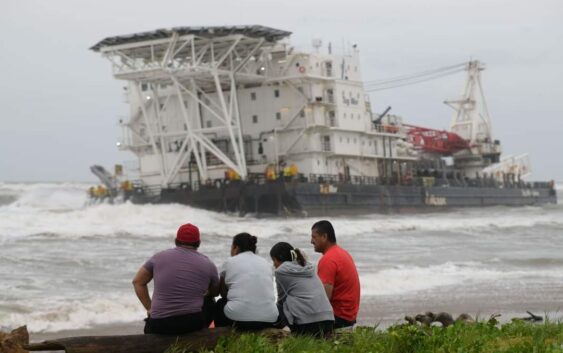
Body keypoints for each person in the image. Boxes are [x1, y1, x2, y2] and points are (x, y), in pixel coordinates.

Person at [132, 223, 219, 335]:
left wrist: (150, 308)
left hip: (160, 325)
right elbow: (215, 292)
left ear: (176, 240)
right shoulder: (208, 263)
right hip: (191, 324)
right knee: (210, 300)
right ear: (198, 243)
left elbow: (137, 282)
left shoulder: (159, 257)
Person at [214, 233, 279, 330]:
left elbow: (222, 292)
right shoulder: (266, 263)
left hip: (238, 320)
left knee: (220, 303)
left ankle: (224, 335)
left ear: (236, 247)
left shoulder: (229, 262)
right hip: (269, 318)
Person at [270, 242, 334, 338]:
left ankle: (285, 332)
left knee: (278, 306)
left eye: (273, 260)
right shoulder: (307, 266)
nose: (273, 264)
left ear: (278, 258)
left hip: (307, 325)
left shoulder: (280, 271)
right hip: (328, 321)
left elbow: (281, 300)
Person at [310, 220, 360, 329]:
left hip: (338, 317)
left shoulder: (328, 259)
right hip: (349, 315)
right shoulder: (342, 253)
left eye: (314, 237)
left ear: (324, 237)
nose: (311, 241)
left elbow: (324, 297)